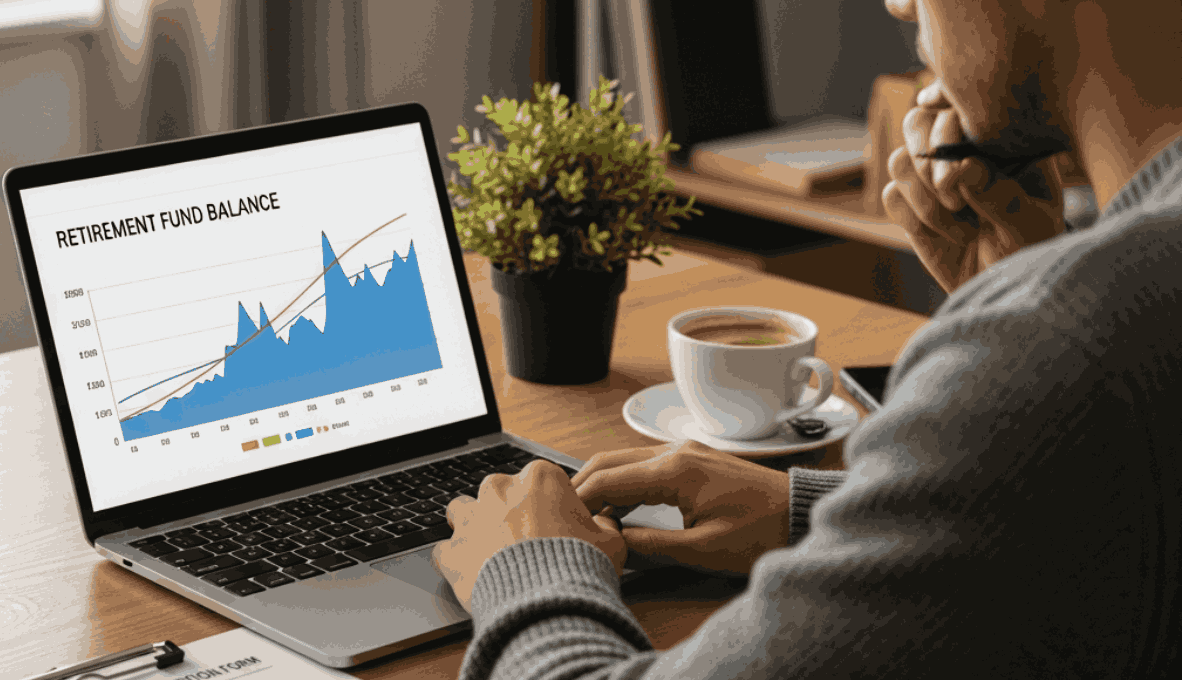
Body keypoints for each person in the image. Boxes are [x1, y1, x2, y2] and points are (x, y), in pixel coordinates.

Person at [432, 0, 1182, 676]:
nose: (897, 4)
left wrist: (529, 565)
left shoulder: (1067, 347)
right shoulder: (1104, 325)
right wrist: (823, 511)